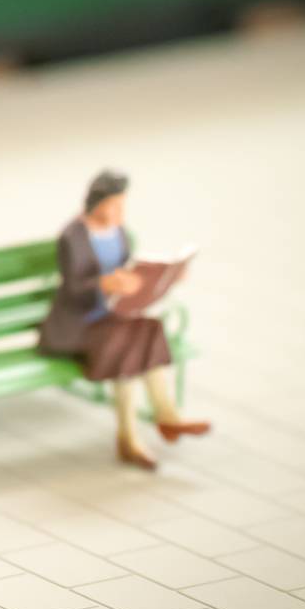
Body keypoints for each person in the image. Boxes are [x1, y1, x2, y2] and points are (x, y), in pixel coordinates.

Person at [38, 170, 210, 470]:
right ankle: (128, 438)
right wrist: (104, 285)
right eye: (114, 205)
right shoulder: (73, 235)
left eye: (123, 205)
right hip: (80, 324)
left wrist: (164, 278)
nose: (120, 212)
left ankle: (167, 416)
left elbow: (130, 269)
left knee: (150, 329)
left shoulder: (119, 231)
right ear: (98, 202)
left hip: (113, 316)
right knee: (126, 346)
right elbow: (73, 287)